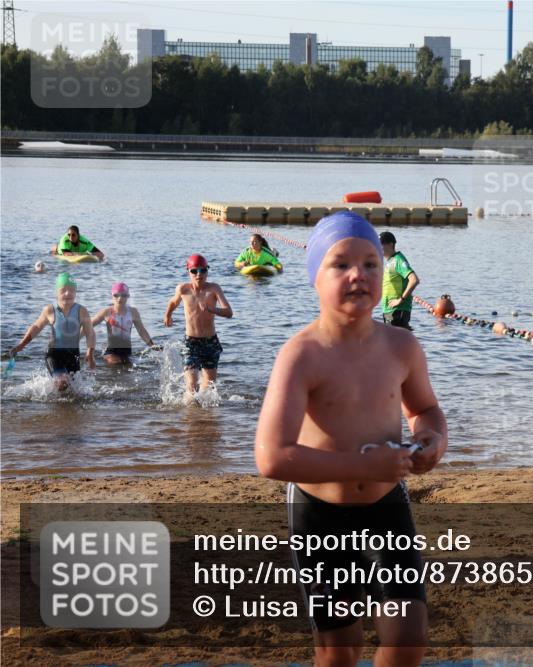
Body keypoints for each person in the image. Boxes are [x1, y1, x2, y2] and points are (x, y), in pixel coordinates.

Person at [255, 211, 447, 667]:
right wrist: (362, 466)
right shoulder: (302, 355)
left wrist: (431, 440)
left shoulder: (401, 346)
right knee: (339, 652)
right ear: (314, 277)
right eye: (340, 264)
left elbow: (425, 409)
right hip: (320, 514)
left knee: (407, 642)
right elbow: (272, 456)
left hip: (386, 505)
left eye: (371, 263)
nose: (358, 273)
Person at [163, 254, 233, 402]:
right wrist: (168, 315)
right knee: (192, 384)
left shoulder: (214, 289)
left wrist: (212, 309)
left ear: (207, 271)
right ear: (188, 271)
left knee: (208, 388)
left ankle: (203, 417)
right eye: (194, 271)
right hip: (191, 342)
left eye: (203, 270)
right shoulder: (183, 289)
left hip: (210, 342)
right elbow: (173, 302)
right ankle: (189, 415)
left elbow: (228, 312)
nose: (199, 274)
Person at [11, 272, 97, 391]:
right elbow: (36, 327)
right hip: (54, 354)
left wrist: (90, 354)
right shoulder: (50, 310)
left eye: (72, 290)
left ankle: (62, 407)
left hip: (73, 355)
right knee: (62, 381)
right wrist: (22, 344)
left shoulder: (82, 311)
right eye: (63, 290)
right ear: (56, 292)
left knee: (73, 389)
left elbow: (90, 333)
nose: (68, 293)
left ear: (76, 292)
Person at [91, 282, 158, 365]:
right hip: (111, 352)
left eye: (123, 295)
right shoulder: (107, 312)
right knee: (115, 363)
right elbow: (88, 325)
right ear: (112, 296)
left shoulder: (133, 312)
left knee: (128, 367)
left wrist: (152, 345)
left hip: (127, 352)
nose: (119, 298)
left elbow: (141, 331)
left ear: (128, 296)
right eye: (116, 295)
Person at [379, 231, 420, 329]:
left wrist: (400, 300)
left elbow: (414, 280)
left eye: (381, 244)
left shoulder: (398, 260)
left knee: (397, 343)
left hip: (398, 311)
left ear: (391, 244)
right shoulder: (390, 261)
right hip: (389, 310)